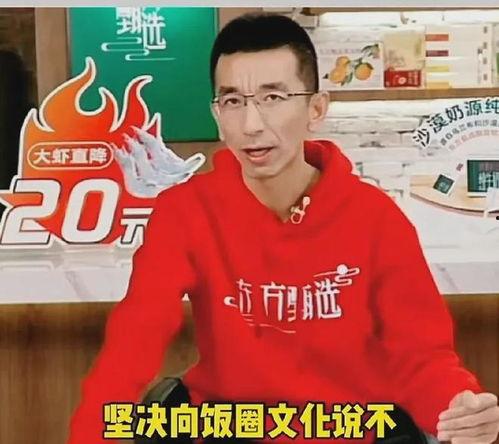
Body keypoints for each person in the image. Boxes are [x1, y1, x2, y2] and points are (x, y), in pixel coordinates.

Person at [67, 13, 499, 444]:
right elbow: (131, 348)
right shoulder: (185, 212)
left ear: (316, 109)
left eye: (273, 97)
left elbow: (422, 358)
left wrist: (459, 410)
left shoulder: (376, 219)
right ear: (217, 113)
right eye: (233, 101)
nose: (251, 125)